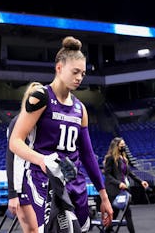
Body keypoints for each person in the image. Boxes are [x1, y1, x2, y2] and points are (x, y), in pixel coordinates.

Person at [9, 36, 113, 232]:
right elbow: (15, 141)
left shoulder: (80, 109)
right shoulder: (41, 97)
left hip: (73, 179)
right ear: (59, 68)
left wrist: (104, 195)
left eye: (82, 73)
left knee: (80, 228)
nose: (80, 78)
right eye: (75, 72)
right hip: (44, 178)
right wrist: (41, 160)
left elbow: (88, 155)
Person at [6, 82, 42, 233]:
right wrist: (13, 194)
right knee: (32, 230)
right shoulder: (18, 122)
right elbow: (11, 158)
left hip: (40, 182)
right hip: (22, 184)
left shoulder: (44, 124)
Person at [103, 137, 148, 233]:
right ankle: (107, 230)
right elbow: (107, 175)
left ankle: (108, 230)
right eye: (121, 145)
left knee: (126, 213)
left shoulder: (123, 158)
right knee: (115, 214)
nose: (123, 147)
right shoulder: (110, 158)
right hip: (113, 190)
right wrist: (118, 183)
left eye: (124, 145)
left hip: (123, 189)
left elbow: (130, 173)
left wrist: (141, 182)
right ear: (116, 146)